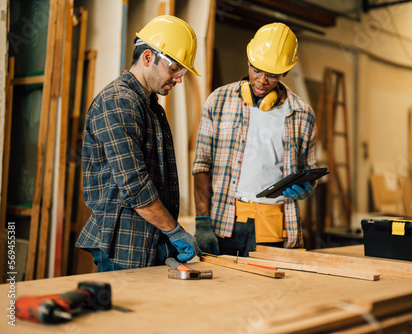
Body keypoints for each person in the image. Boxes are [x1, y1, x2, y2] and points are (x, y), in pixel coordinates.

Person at [76, 16, 202, 272]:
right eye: (174, 68)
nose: (179, 78)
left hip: (151, 241)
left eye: (182, 71)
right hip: (124, 246)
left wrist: (168, 237)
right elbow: (135, 186)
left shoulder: (150, 106)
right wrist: (175, 231)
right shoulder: (118, 101)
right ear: (147, 58)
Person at [193, 23, 317, 257]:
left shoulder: (302, 113)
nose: (261, 81)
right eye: (256, 70)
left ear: (285, 73)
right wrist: (202, 221)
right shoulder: (218, 101)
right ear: (248, 61)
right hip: (226, 223)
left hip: (276, 226)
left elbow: (308, 171)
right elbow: (202, 164)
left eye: (271, 75)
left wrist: (305, 188)